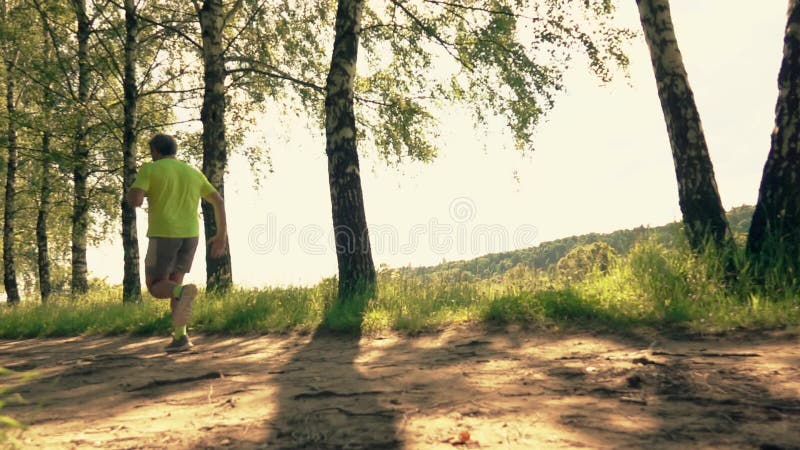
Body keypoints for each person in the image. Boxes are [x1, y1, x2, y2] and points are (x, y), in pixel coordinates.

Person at [127, 134, 228, 352]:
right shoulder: (192, 172)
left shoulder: (150, 169)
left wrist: (133, 189)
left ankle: (183, 296)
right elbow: (217, 201)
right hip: (190, 235)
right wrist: (221, 236)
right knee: (175, 285)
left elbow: (135, 201)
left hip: (163, 235)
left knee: (156, 286)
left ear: (155, 150)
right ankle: (181, 337)